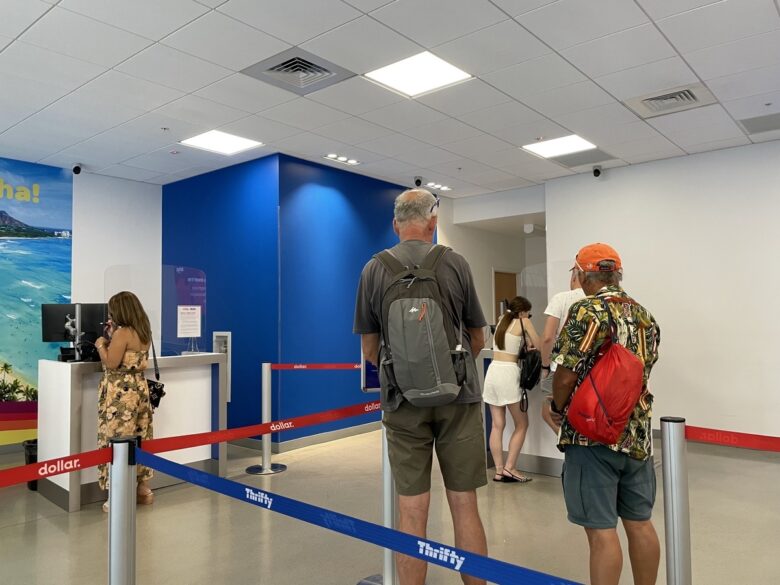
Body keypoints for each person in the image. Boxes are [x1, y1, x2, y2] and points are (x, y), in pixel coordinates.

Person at [354, 188, 488, 585]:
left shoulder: (373, 269)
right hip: (459, 399)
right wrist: (451, 371)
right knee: (465, 504)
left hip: (401, 404)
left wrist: (406, 376)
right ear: (432, 223)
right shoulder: (456, 263)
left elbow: (369, 347)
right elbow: (478, 337)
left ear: (395, 224)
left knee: (411, 510)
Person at [550, 243, 661, 585]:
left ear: (583, 275)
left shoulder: (587, 311)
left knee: (601, 532)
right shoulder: (645, 315)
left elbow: (566, 373)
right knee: (640, 523)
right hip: (637, 435)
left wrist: (556, 407)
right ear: (617, 274)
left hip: (592, 434)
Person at [94, 291, 154, 512]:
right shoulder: (143, 331)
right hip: (139, 389)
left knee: (117, 440)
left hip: (120, 393)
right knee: (139, 437)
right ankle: (142, 489)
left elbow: (111, 363)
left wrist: (101, 344)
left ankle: (116, 496)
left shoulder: (122, 333)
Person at [482, 296, 540, 483]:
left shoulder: (501, 321)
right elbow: (539, 345)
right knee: (522, 424)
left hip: (493, 372)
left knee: (497, 425)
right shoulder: (524, 322)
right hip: (508, 374)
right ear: (523, 312)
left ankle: (499, 470)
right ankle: (511, 467)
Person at [539, 269, 585, 433]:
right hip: (587, 370)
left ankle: (569, 450)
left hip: (560, 367)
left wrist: (545, 366)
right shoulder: (596, 300)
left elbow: (547, 338)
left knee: (550, 414)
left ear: (574, 276)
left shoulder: (561, 298)